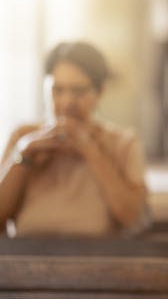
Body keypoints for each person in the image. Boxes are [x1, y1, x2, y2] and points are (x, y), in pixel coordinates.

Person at [0, 41, 148, 237]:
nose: (67, 102)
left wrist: (91, 151)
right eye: (58, 90)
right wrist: (24, 154)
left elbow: (134, 220)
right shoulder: (24, 138)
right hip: (26, 263)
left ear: (100, 92)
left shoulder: (123, 143)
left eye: (79, 91)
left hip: (98, 264)